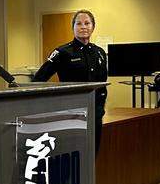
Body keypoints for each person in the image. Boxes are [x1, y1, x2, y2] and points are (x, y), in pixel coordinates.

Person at [31, 9, 108, 153]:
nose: (83, 27)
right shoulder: (62, 52)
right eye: (78, 23)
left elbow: (103, 84)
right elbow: (39, 79)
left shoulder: (99, 53)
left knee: (93, 152)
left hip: (95, 113)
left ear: (93, 27)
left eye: (87, 23)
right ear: (73, 27)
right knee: (75, 154)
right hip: (72, 114)